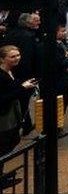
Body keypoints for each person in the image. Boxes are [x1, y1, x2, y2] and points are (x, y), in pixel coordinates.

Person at [0, 45, 37, 186]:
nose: (17, 58)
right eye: (12, 56)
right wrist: (22, 88)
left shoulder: (10, 72)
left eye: (18, 55)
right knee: (5, 144)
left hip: (11, 113)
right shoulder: (1, 76)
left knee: (12, 140)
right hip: (4, 116)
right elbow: (3, 98)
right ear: (2, 59)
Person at [4, 13, 40, 133]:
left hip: (11, 71)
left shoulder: (9, 35)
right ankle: (23, 123)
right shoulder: (30, 37)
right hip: (26, 72)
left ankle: (26, 123)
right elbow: (33, 57)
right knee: (23, 100)